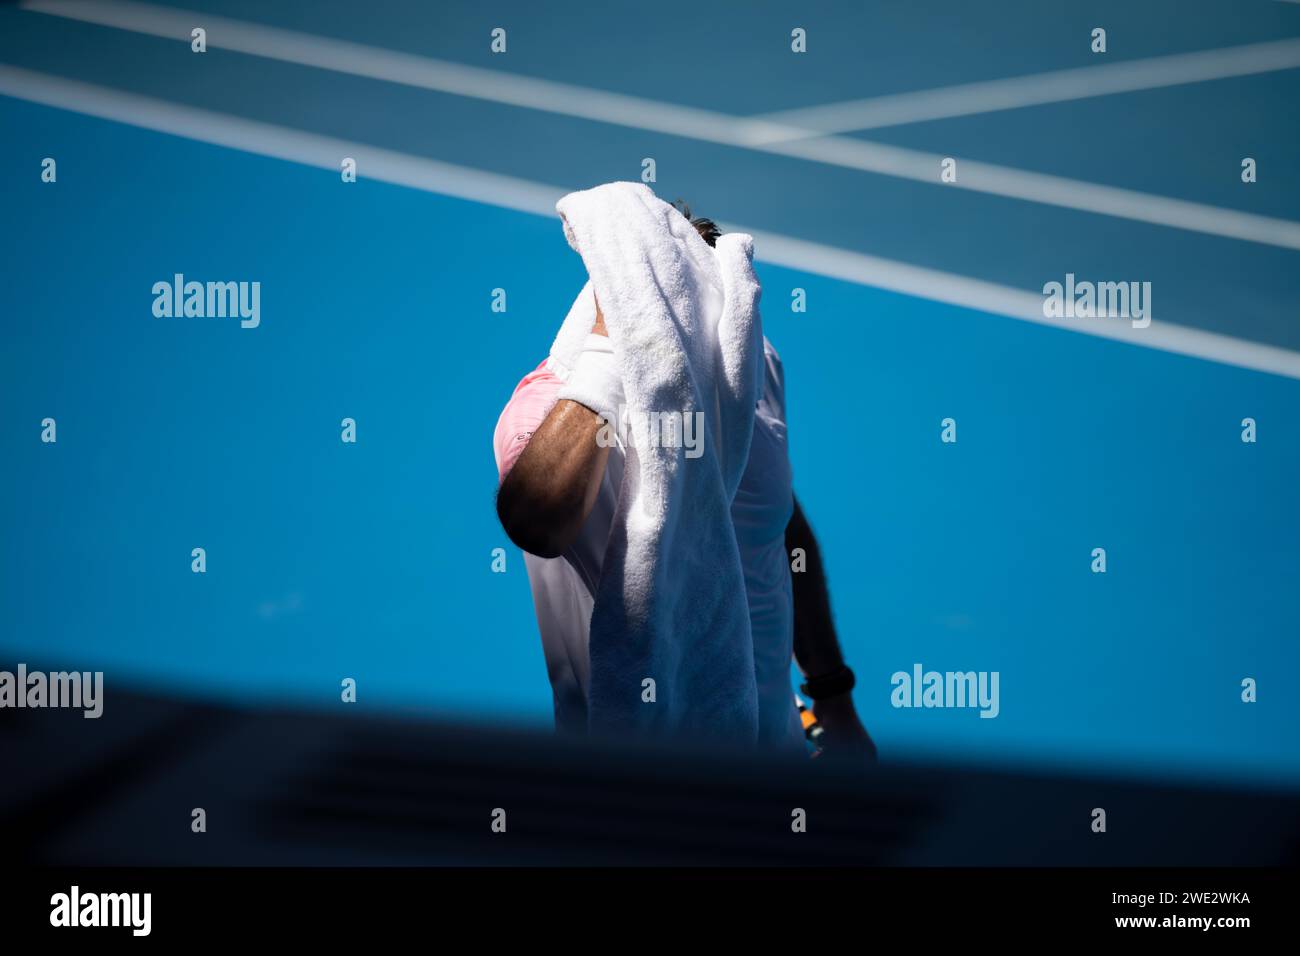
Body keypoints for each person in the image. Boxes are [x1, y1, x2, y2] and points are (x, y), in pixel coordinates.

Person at [493, 203, 875, 758]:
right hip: (633, 787)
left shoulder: (746, 364)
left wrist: (834, 699)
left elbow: (779, 527)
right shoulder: (546, 409)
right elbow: (537, 521)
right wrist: (610, 347)